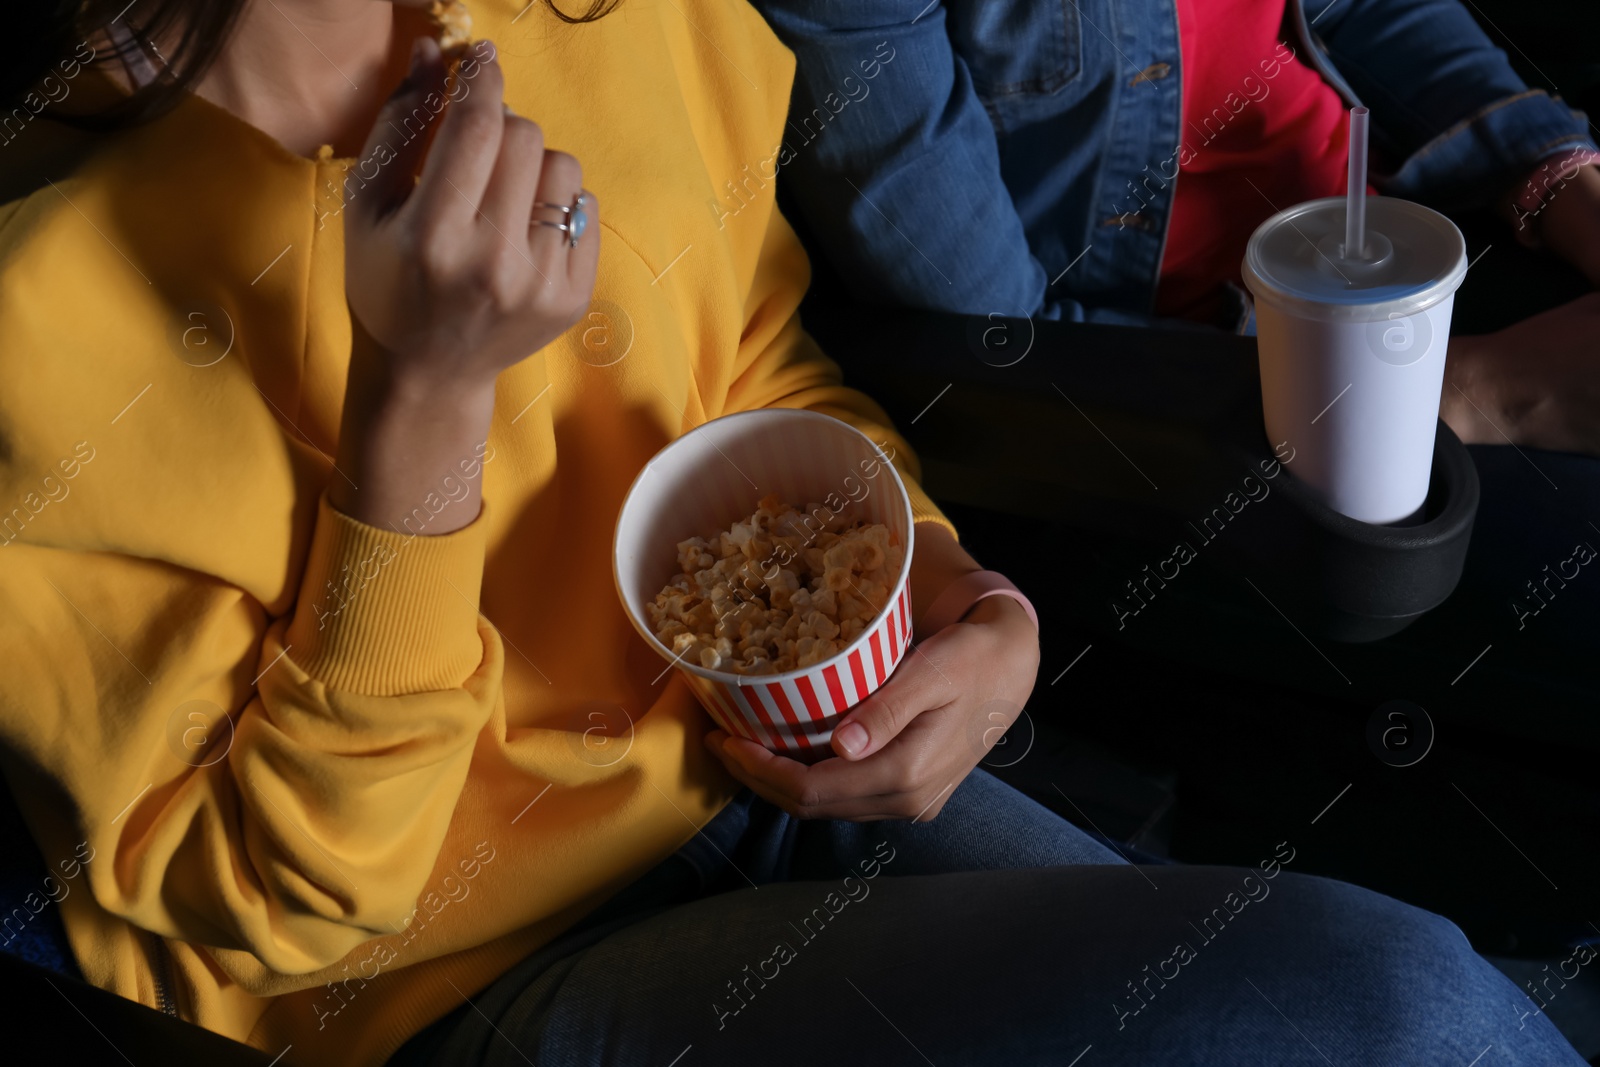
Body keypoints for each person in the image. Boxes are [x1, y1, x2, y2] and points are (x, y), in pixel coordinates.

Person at [0, 2, 1585, 1065]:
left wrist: (963, 584)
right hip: (441, 973)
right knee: (1392, 1011)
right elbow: (273, 903)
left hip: (766, 765)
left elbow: (759, 353)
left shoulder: (627, 23)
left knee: (1366, 991)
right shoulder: (35, 307)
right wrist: (420, 399)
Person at [749, 0, 1600, 455]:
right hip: (1211, 395)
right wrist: (1461, 394)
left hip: (1390, 237)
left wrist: (1562, 184)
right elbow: (1000, 347)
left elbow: (1351, 10)